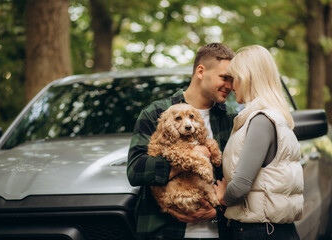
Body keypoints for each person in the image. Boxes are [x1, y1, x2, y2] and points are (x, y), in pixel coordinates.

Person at [127, 43, 237, 240]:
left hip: (219, 232)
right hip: (164, 231)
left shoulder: (231, 120)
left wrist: (217, 212)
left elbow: (241, 181)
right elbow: (136, 170)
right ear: (201, 71)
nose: (230, 86)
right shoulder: (156, 113)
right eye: (225, 77)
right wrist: (192, 156)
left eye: (232, 79)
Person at [213, 45, 303, 240]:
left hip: (261, 231)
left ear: (247, 78)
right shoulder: (272, 116)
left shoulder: (261, 120)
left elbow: (241, 185)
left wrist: (222, 197)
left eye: (234, 78)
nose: (232, 85)